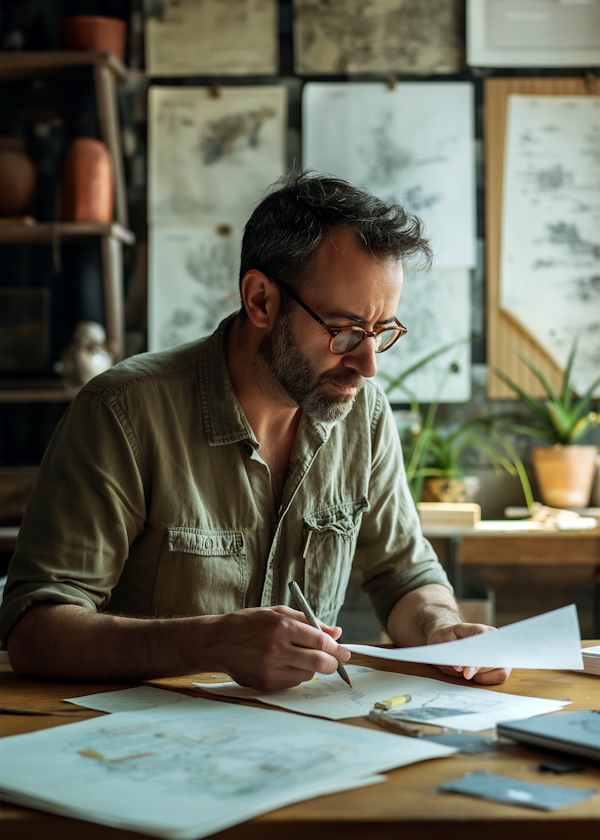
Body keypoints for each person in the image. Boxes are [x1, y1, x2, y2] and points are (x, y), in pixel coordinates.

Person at [0, 172, 510, 688]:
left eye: (383, 331)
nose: (369, 364)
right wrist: (208, 643)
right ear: (260, 300)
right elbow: (33, 629)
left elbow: (404, 577)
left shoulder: (365, 414)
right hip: (138, 744)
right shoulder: (123, 412)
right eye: (345, 331)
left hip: (302, 741)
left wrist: (441, 628)